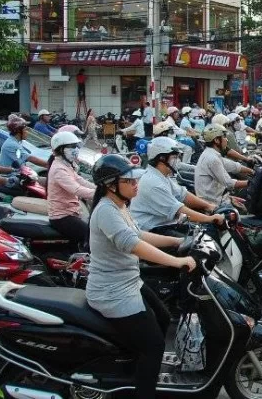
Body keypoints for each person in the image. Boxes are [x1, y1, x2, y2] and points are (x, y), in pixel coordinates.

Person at [86, 155, 195, 399]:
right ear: (111, 184)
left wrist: (178, 241)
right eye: (129, 181)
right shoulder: (106, 210)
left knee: (164, 317)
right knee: (154, 346)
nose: (136, 184)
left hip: (129, 282)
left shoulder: (120, 206)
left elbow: (139, 234)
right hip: (112, 291)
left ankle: (136, 367)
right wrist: (177, 261)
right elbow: (133, 244)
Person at [130, 137, 222, 238]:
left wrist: (209, 206)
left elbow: (183, 195)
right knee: (201, 240)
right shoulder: (154, 183)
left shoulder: (162, 176)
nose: (178, 160)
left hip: (165, 225)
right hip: (151, 232)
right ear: (161, 158)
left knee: (201, 232)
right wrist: (210, 219)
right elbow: (179, 210)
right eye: (175, 156)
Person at [47, 131, 96, 244]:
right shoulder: (59, 169)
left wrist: (98, 188)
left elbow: (80, 180)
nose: (76, 150)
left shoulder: (65, 165)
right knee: (91, 238)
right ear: (61, 149)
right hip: (62, 217)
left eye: (76, 146)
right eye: (72, 147)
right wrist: (101, 193)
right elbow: (77, 189)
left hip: (72, 212)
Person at [194, 124, 251, 207]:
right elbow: (229, 183)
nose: (226, 140)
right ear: (217, 140)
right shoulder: (212, 158)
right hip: (213, 203)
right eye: (224, 137)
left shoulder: (211, 153)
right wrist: (251, 182)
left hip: (217, 197)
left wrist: (251, 171)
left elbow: (232, 166)